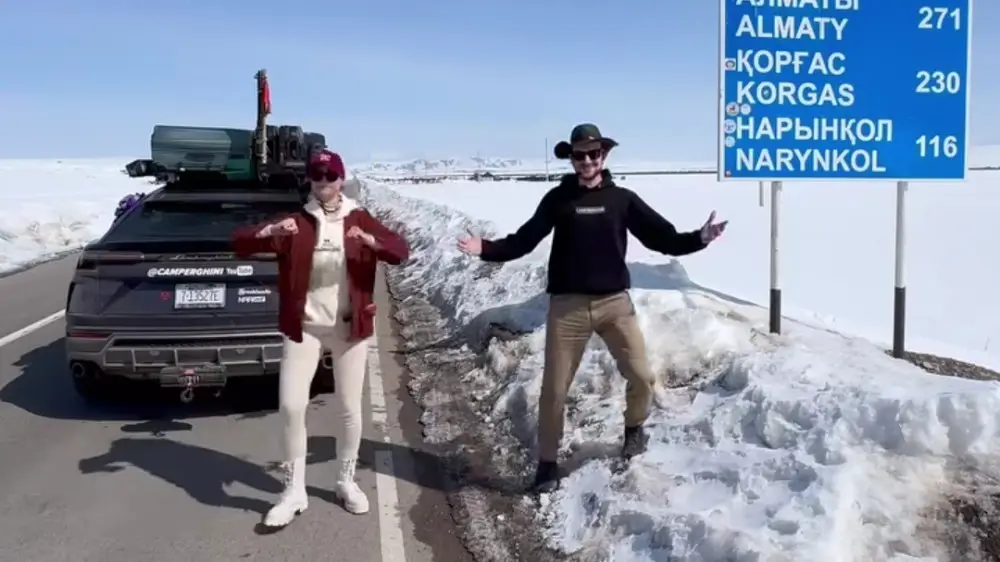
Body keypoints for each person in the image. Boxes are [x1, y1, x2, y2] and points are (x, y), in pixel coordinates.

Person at [457, 124, 727, 492]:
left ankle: (634, 429)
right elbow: (524, 240)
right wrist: (486, 248)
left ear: (604, 155)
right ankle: (547, 464)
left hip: (615, 305)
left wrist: (700, 238)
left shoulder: (622, 200)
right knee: (554, 389)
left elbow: (662, 238)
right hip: (567, 308)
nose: (586, 160)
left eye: (593, 153)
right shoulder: (558, 200)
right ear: (571, 158)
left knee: (642, 376)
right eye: (579, 155)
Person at [231, 149, 408, 526]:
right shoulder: (297, 222)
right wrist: (269, 232)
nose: (324, 182)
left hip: (348, 327)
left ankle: (345, 481)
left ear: (341, 180)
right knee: (291, 406)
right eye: (317, 176)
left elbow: (400, 250)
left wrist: (372, 242)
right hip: (305, 328)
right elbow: (240, 243)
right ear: (310, 180)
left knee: (349, 408)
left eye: (330, 176)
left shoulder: (359, 218)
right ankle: (293, 491)